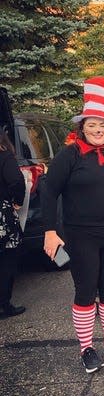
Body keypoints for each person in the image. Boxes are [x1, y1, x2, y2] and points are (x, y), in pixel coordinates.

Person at [41, 77, 104, 373]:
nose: (98, 130)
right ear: (82, 127)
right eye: (92, 125)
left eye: (103, 126)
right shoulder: (69, 156)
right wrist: (49, 231)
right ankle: (86, 348)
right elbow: (49, 191)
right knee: (85, 290)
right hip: (80, 234)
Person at [0, 125, 26, 318]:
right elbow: (16, 181)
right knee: (8, 257)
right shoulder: (4, 156)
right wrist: (17, 201)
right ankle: (3, 305)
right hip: (2, 215)